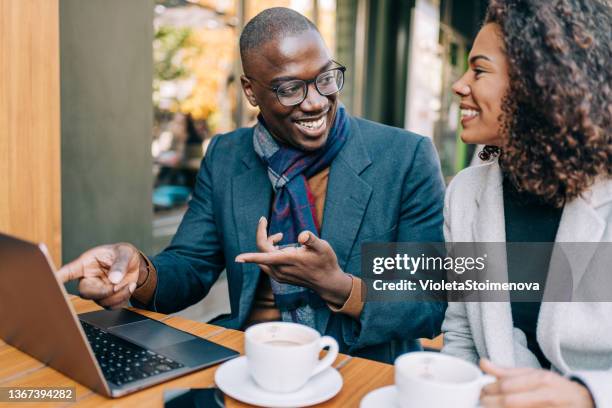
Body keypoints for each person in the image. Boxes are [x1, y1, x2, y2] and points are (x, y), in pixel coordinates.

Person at [57, 7, 446, 363]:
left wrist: (338, 285)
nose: (315, 103)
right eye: (290, 88)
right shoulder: (226, 155)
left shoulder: (405, 158)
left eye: (325, 79)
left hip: (356, 367)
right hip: (247, 361)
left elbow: (429, 304)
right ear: (250, 91)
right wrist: (137, 273)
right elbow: (191, 266)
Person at [441, 0, 611, 406]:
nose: (459, 84)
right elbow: (463, 334)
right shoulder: (464, 194)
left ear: (538, 85)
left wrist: (588, 397)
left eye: (479, 70)